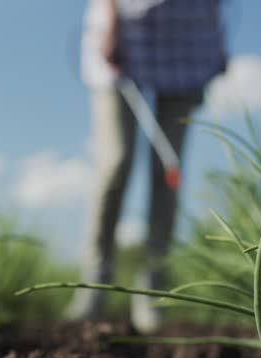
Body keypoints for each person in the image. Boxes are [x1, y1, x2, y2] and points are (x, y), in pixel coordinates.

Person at [67, 0, 228, 332]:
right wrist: (110, 22)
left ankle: (152, 289)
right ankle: (95, 284)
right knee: (116, 162)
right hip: (124, 35)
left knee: (167, 168)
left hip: (187, 41)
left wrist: (217, 37)